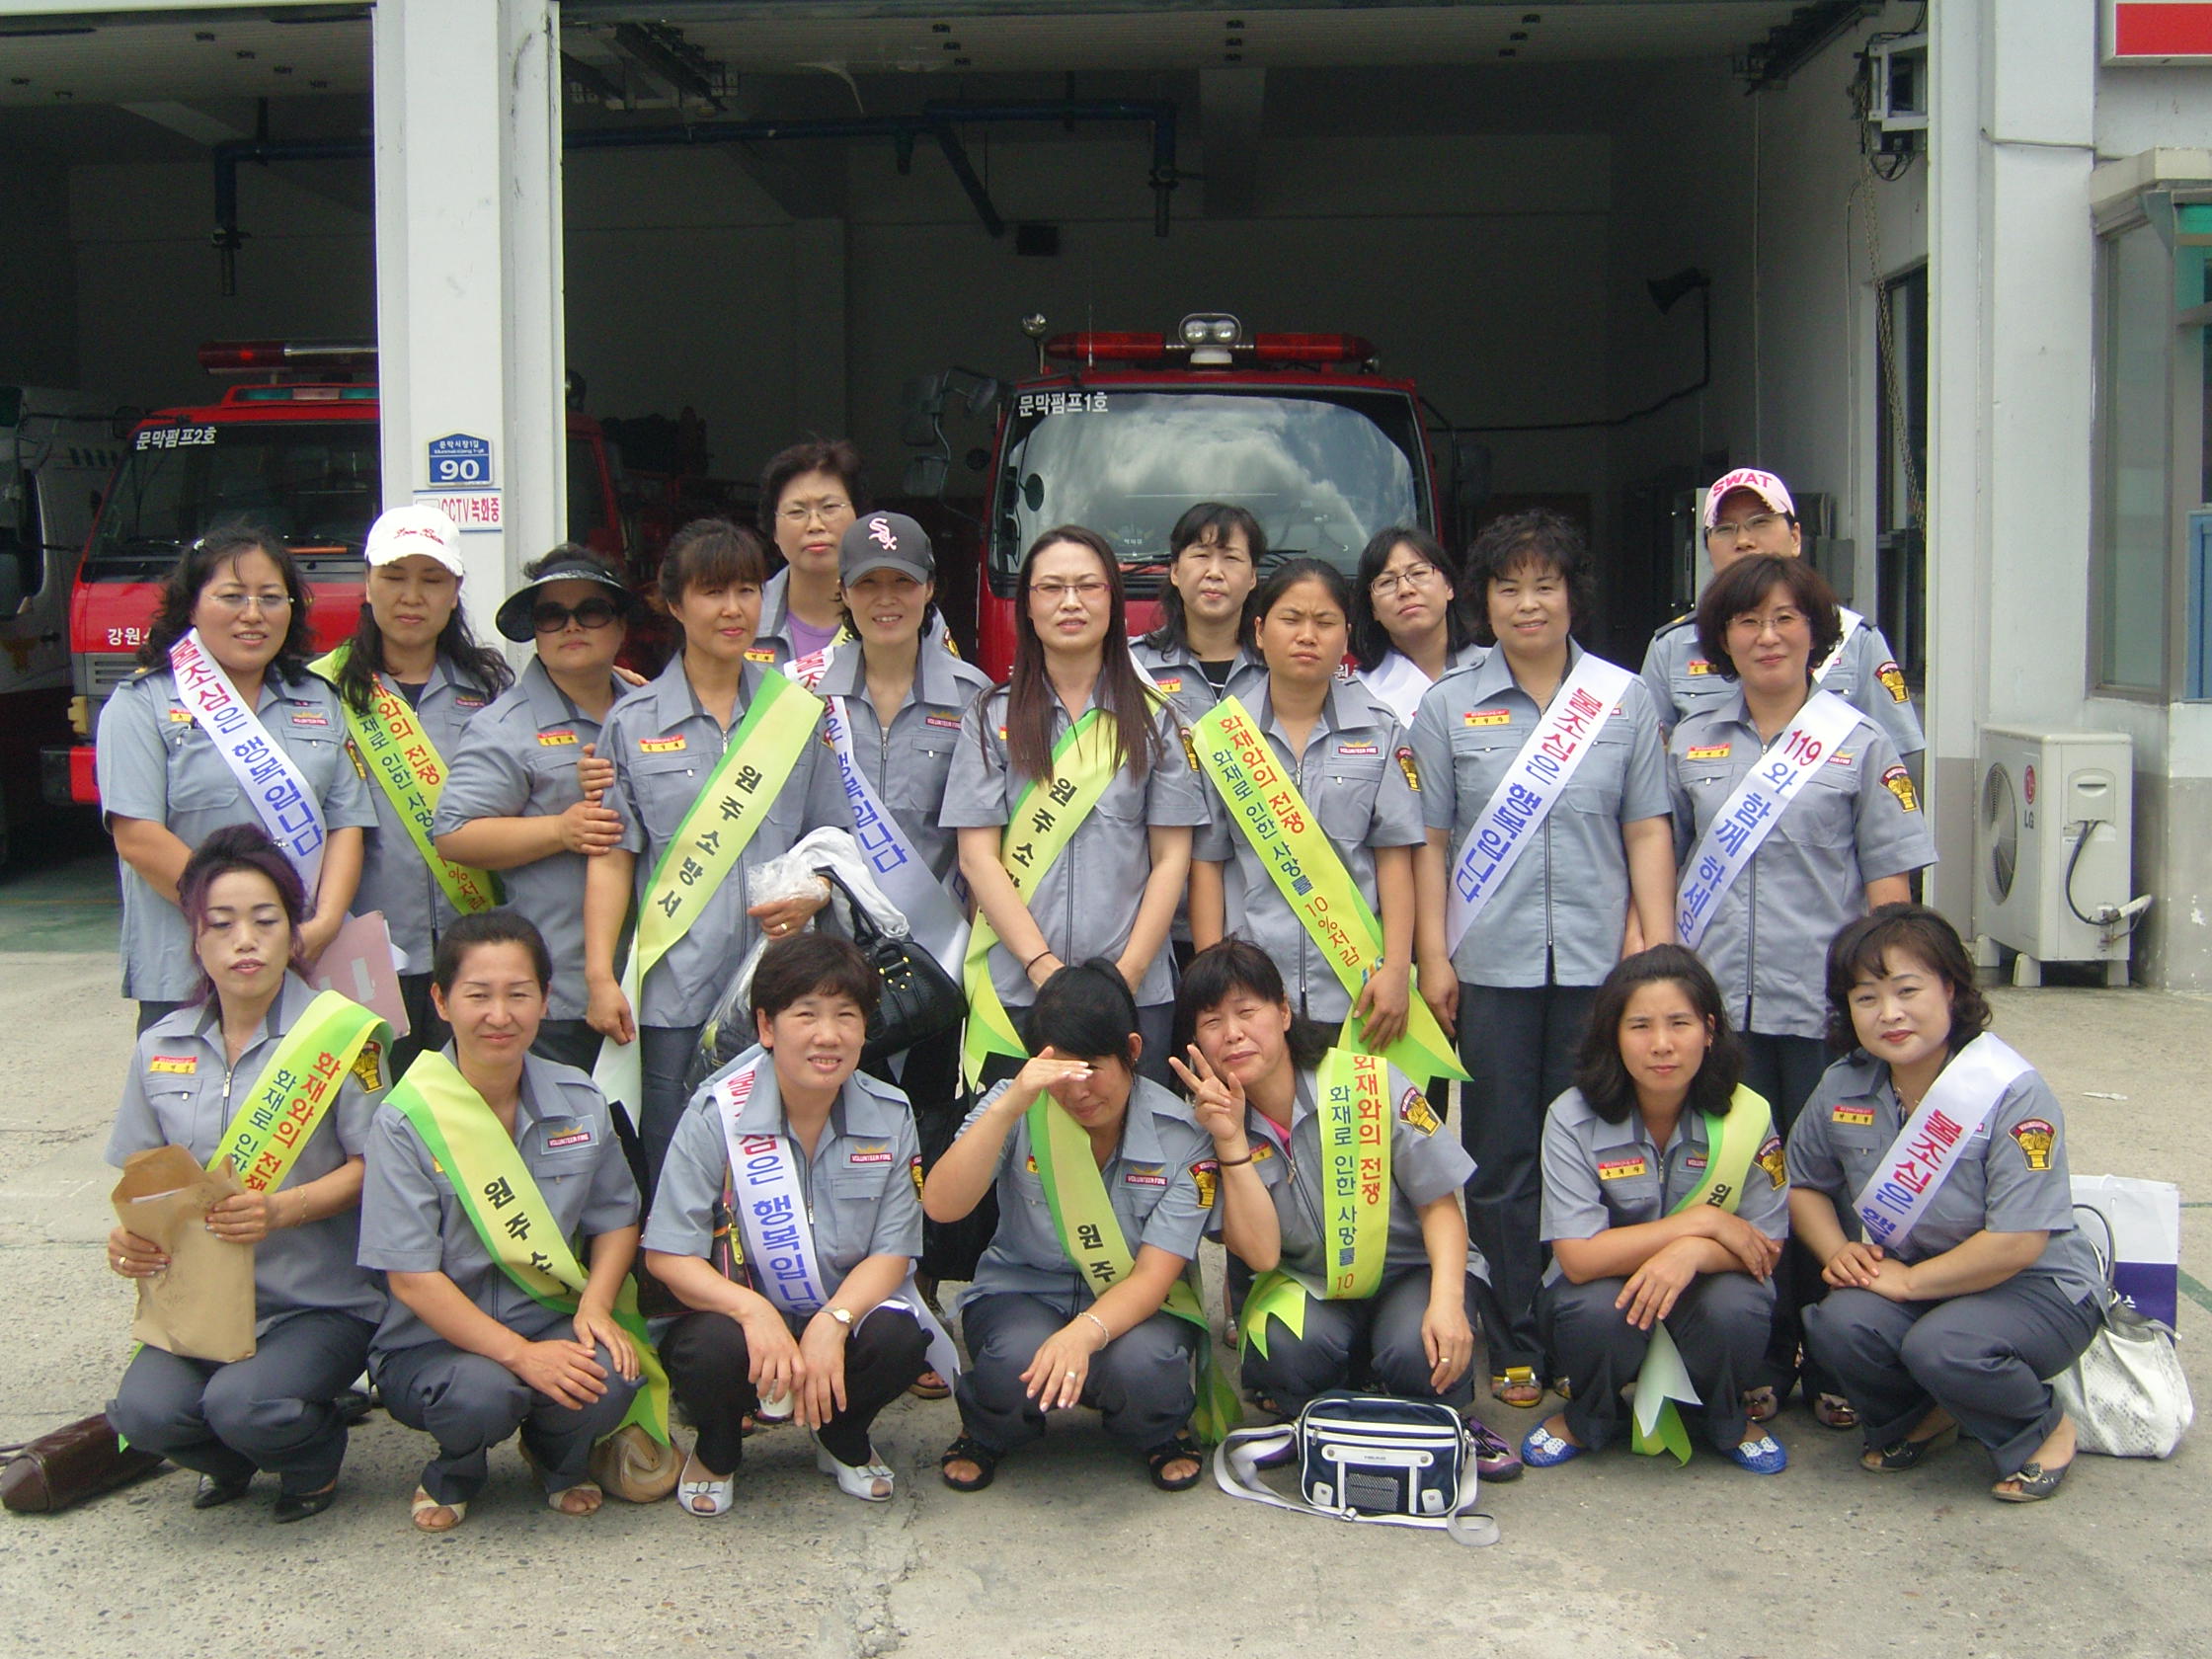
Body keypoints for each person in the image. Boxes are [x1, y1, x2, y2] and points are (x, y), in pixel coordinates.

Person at [1411, 509, 1675, 1412]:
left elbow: (1647, 829)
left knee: (1596, 1151)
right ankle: (1517, 1335)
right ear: (1483, 601)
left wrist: (1656, 947)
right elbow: (1429, 842)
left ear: (1573, 595)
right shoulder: (1449, 704)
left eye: (1546, 584)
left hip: (1601, 970)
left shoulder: (1622, 699)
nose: (1528, 603)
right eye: (1509, 586)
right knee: (1500, 1157)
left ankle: (1586, 1330)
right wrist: (1434, 957)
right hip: (1490, 967)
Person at [1668, 552, 1935, 1424]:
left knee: (1834, 1182)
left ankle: (1833, 1357)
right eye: (1748, 621)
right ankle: (1759, 1351)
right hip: (1720, 1012)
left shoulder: (1861, 742)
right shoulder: (1690, 741)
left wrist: (1890, 1008)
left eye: (1786, 618)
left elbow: (1891, 893)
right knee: (1739, 1179)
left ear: (1815, 633)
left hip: (1824, 1011)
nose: (1768, 636)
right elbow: (1663, 865)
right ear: (1723, 638)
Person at [105, 825, 389, 1522]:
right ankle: (234, 1461)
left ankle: (312, 1454)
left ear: (293, 932)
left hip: (318, 1302)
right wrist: (128, 1242)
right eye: (221, 924)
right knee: (142, 1416)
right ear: (196, 938)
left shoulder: (347, 1037)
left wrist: (281, 1210)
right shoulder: (160, 1047)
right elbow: (141, 1180)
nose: (245, 941)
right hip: (201, 1305)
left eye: (265, 921)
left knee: (245, 1404)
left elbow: (377, 1171)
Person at [1170, 940, 1520, 1479]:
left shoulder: (1369, 1083)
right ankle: (1324, 1421)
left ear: (1283, 1013)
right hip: (1311, 1283)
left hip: (1409, 1273)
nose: (1233, 1034)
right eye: (1212, 1022)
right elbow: (1261, 1256)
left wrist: (1449, 1302)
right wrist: (1231, 1140)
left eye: (1247, 1011)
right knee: (1287, 1350)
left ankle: (1446, 1420)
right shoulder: (1207, 1128)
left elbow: (1440, 1207)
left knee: (1418, 1351)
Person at [1790, 905, 2101, 1502]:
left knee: (1945, 1345)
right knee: (1839, 1325)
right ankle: (1928, 1415)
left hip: (2035, 1286)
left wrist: (1908, 1284)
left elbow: (2019, 1241)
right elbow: (1803, 1183)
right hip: (1922, 1277)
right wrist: (1837, 1252)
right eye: (1866, 998)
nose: (1889, 1013)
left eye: (1908, 990)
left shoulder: (2010, 1089)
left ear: (1951, 990)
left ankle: (2041, 1427)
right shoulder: (1843, 1083)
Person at [360, 910, 648, 1532]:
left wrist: (596, 1308)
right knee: (481, 1394)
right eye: (478, 996)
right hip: (432, 1345)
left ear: (545, 1000)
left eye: (519, 994)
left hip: (546, 1316)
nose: (499, 1015)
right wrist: (522, 1357)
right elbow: (410, 1278)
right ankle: (455, 1470)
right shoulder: (405, 1119)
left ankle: (557, 1459)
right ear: (441, 1001)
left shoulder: (580, 1099)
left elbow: (617, 1219)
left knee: (611, 1372)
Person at [643, 934, 936, 1513]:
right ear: (767, 1026)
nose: (828, 1035)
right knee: (706, 1350)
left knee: (901, 1339)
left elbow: (894, 1251)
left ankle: (841, 1436)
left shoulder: (891, 1113)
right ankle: (718, 1448)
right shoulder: (716, 1114)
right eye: (806, 1014)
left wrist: (835, 1320)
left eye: (846, 1015)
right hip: (739, 1324)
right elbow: (667, 1255)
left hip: (837, 1311)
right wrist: (752, 1312)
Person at [924, 960, 1243, 1492]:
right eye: (1062, 1071)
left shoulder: (1182, 1135)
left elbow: (1153, 1277)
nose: (1078, 1090)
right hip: (1022, 1292)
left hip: (1139, 1305)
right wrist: (1009, 1108)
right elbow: (941, 1206)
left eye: (1093, 1067)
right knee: (1013, 1358)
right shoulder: (1017, 1102)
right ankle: (988, 1429)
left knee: (1145, 1365)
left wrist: (1083, 1333)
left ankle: (1159, 1430)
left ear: (1132, 1051)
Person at [800, 511, 992, 1384]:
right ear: (842, 594)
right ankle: (825, 1293)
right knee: (829, 1128)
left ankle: (917, 1295)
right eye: (868, 584)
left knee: (925, 1128)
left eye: (902, 583)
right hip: (828, 964)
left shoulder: (975, 697)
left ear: (929, 591)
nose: (887, 599)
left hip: (934, 966)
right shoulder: (800, 696)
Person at [583, 518, 829, 1192]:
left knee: (781, 1160)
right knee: (677, 1163)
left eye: (746, 590)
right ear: (673, 603)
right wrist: (601, 975)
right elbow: (612, 857)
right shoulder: (632, 723)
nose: (732, 609)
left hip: (780, 986)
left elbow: (832, 843)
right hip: (675, 991)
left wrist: (816, 892)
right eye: (712, 592)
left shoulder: (795, 714)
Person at [942, 525, 1208, 1090]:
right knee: (1017, 1141)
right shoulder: (989, 718)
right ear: (1028, 605)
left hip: (1134, 994)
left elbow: (1172, 859)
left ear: (1113, 600)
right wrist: (1043, 970)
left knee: (1137, 1141)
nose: (1071, 602)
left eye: (1088, 586)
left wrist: (1124, 978)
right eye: (1052, 587)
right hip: (1016, 992)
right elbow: (977, 858)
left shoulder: (1156, 720)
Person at [96, 524, 372, 1030]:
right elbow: (137, 837)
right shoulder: (142, 703)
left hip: (303, 961)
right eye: (231, 596)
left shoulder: (319, 699)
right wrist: (240, 925)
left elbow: (346, 822)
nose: (253, 614)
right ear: (191, 606)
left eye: (271, 597)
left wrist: (324, 924)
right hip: (186, 970)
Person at [1525, 945, 1787, 1472]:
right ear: (1613, 1035)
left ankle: (1726, 1417)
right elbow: (1578, 1256)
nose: (1662, 1044)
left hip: (1705, 1288)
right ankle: (1588, 1416)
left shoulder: (1749, 1114)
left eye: (1679, 1023)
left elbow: (1765, 1247)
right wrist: (1702, 1223)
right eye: (1640, 1026)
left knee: (1739, 1306)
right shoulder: (1572, 1117)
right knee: (1591, 1312)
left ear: (1709, 1030)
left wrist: (1692, 1253)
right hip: (1608, 1291)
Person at [1188, 559, 1422, 1052]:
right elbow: (1207, 863)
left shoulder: (1380, 731)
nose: (1307, 636)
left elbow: (1394, 858)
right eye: (1291, 619)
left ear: (1346, 635)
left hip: (1358, 989)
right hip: (1250, 996)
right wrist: (1212, 986)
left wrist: (1397, 970)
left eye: (1325, 621)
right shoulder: (1221, 735)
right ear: (1259, 631)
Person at [432, 547, 645, 1072]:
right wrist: (560, 830)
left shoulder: (653, 710)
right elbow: (453, 834)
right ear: (535, 632)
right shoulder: (504, 727)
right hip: (560, 991)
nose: (571, 626)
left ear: (621, 626)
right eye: (552, 615)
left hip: (656, 981)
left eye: (591, 611)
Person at [317, 504, 514, 1073]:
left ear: (455, 592)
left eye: (431, 580)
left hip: (470, 945)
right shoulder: (322, 689)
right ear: (367, 584)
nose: (411, 597)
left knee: (466, 1100)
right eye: (394, 577)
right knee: (376, 1102)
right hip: (363, 950)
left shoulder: (489, 686)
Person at [1639, 467, 1923, 764]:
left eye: (1760, 522)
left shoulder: (1856, 640)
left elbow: (1895, 763)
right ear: (1708, 548)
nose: (1743, 540)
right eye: (1725, 529)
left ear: (1795, 537)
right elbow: (1648, 769)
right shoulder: (1670, 648)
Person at [1131, 501, 1268, 720]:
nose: (1214, 573)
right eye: (1202, 556)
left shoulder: (1277, 665)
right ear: (1175, 572)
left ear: (1252, 577)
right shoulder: (1134, 665)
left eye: (1231, 558)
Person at [1348, 525, 1487, 726]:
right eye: (1386, 582)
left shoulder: (1498, 668)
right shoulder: (1356, 696)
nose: (1405, 589)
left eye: (1419, 573)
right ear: (1373, 609)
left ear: (1448, 587)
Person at [756, 438, 866, 666]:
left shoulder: (902, 610)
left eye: (830, 507)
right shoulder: (743, 614)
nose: (815, 525)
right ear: (773, 529)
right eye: (796, 512)